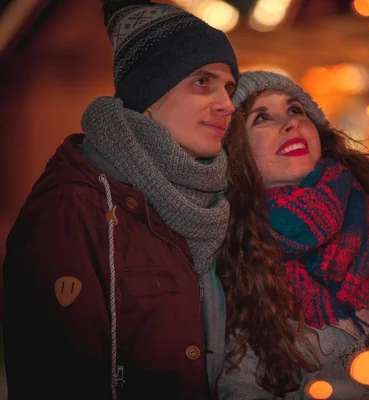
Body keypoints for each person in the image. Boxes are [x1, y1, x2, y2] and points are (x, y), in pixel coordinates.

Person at [2, 1, 238, 399]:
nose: (227, 104)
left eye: (229, 88)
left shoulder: (213, 205)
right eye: (202, 82)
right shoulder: (75, 207)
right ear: (148, 96)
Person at [216, 71, 369, 399]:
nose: (290, 123)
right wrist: (363, 364)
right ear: (237, 152)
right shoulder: (238, 268)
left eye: (295, 110)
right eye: (262, 117)